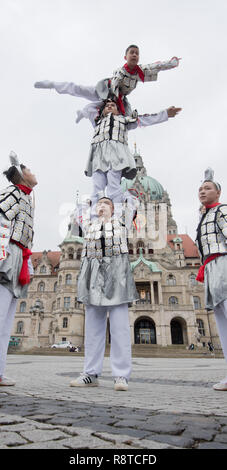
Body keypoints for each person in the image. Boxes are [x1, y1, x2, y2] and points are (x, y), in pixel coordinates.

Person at [70, 196, 138, 391]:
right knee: (93, 328)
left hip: (117, 274)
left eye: (106, 204)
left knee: (120, 328)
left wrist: (122, 195)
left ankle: (121, 375)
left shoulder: (122, 222)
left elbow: (132, 204)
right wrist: (87, 203)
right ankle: (90, 373)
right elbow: (79, 213)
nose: (102, 206)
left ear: (114, 209)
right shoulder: (89, 225)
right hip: (93, 275)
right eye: (99, 204)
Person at [34, 44, 180, 123]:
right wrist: (113, 101)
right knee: (78, 89)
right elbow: (115, 84)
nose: (134, 55)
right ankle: (52, 84)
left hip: (119, 99)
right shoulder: (120, 71)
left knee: (130, 119)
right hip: (105, 90)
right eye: (132, 52)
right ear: (126, 56)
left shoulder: (141, 70)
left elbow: (157, 66)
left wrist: (173, 62)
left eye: (137, 53)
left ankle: (83, 114)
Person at [84, 98, 181, 212]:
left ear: (119, 110)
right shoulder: (97, 122)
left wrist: (164, 114)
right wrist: (107, 98)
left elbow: (145, 119)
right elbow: (88, 108)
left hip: (116, 156)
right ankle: (95, 215)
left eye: (113, 105)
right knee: (97, 186)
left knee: (113, 184)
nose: (109, 106)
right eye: (107, 106)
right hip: (98, 156)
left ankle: (117, 215)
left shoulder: (124, 120)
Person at [0, 152, 37, 386]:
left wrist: (28, 263)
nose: (33, 172)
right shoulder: (14, 192)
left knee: (5, 324)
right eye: (29, 169)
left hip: (19, 256)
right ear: (21, 176)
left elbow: (25, 239)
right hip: (8, 256)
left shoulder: (26, 197)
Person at [195, 168, 227, 391]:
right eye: (200, 189)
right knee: (223, 324)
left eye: (207, 188)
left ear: (218, 192)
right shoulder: (204, 216)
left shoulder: (222, 210)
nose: (202, 191)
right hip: (210, 267)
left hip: (223, 263)